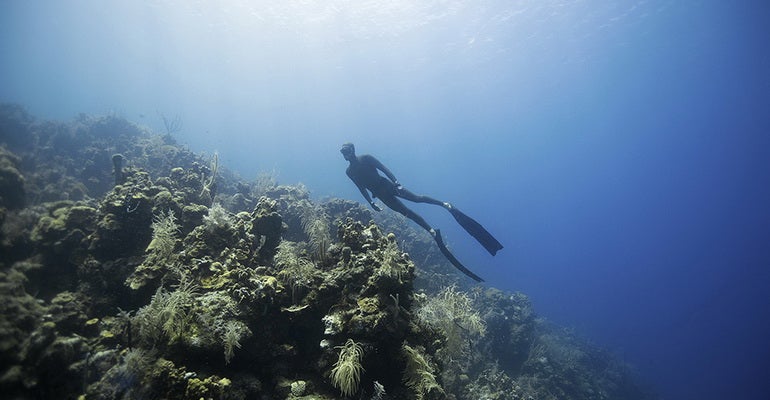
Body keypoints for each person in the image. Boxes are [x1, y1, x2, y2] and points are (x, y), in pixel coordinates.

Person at [340, 143, 502, 282]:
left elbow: (383, 169)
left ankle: (444, 204)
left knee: (416, 199)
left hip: (388, 186)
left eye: (346, 151)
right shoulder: (349, 172)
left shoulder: (366, 158)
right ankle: (431, 230)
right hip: (381, 195)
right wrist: (371, 203)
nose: (344, 154)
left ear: (352, 150)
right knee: (407, 213)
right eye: (342, 152)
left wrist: (397, 183)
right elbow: (360, 187)